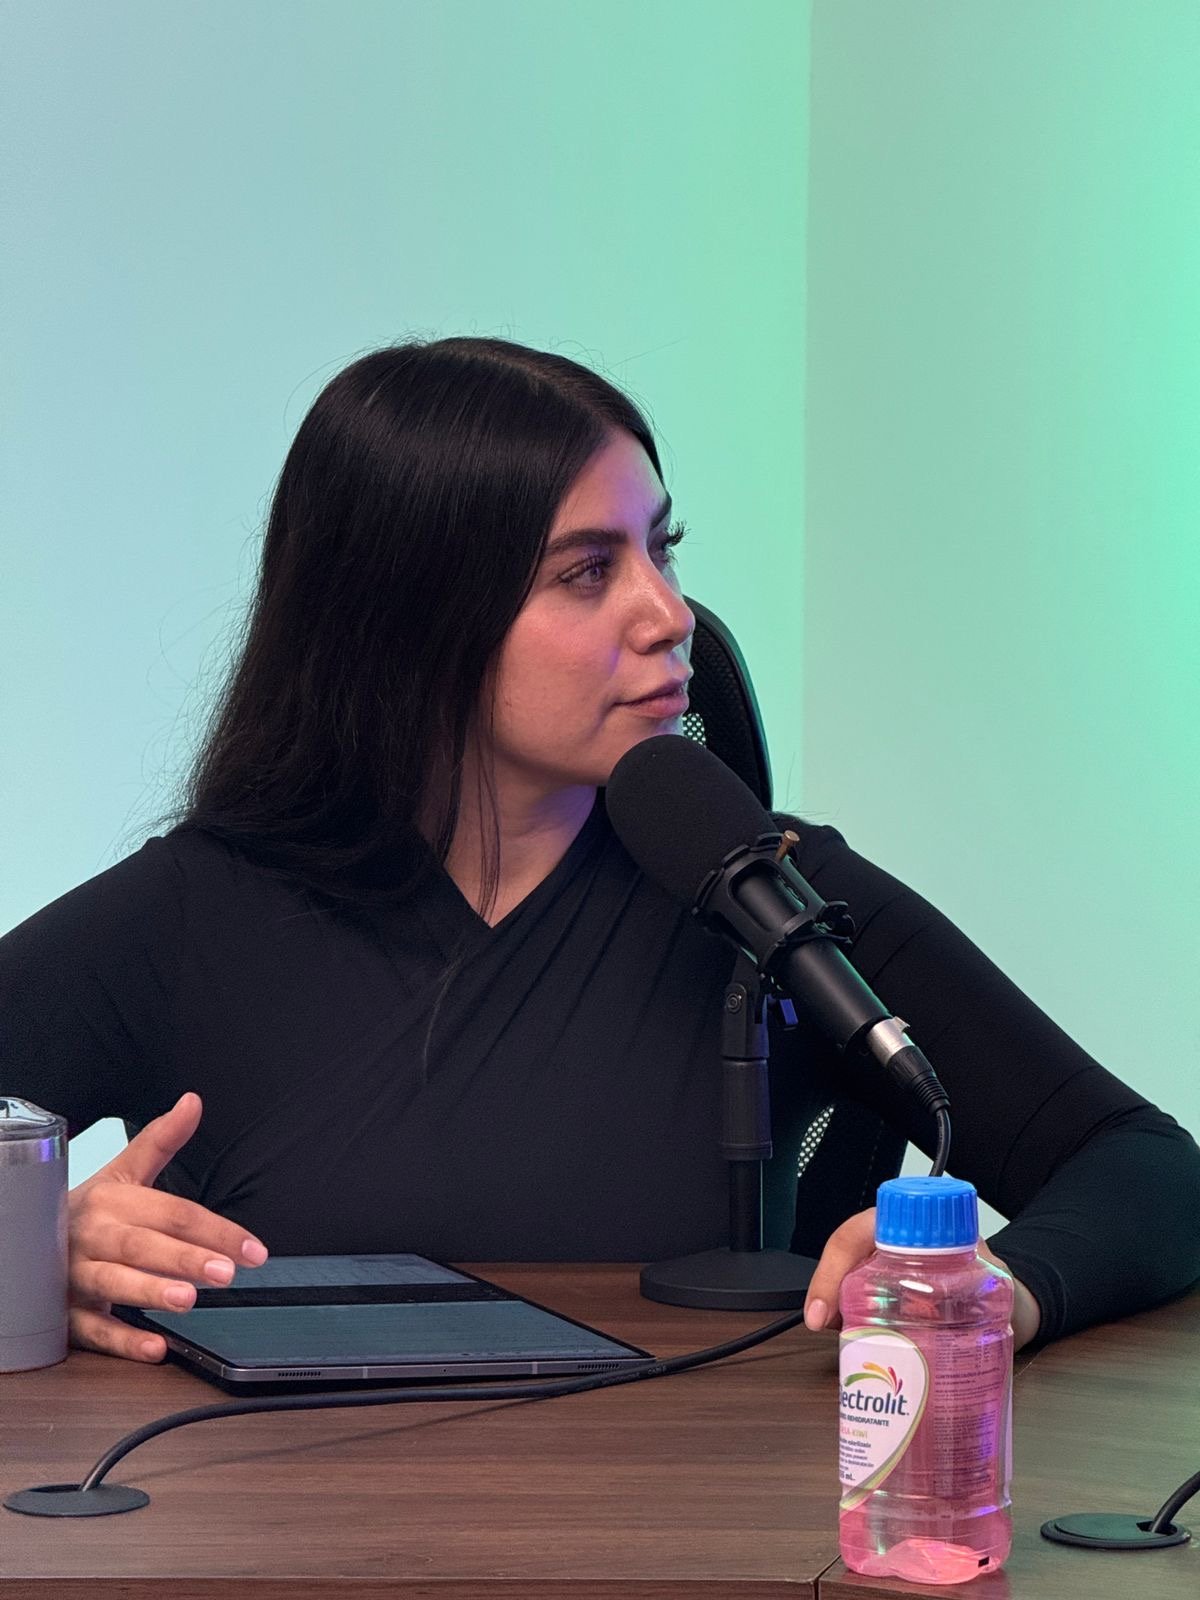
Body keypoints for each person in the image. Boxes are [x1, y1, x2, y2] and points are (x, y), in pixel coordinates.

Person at [2, 337, 1197, 1366]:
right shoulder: (200, 913)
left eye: (661, 550)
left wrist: (1002, 1286)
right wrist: (31, 1250)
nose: (667, 612)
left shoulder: (770, 893)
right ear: (411, 622)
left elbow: (1145, 1167)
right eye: (588, 571)